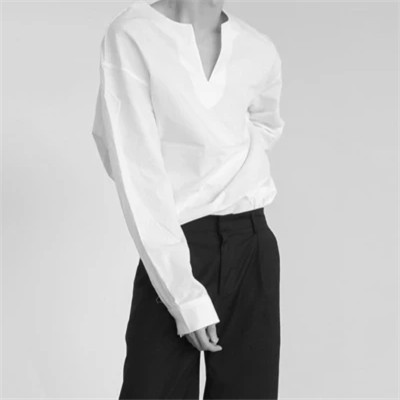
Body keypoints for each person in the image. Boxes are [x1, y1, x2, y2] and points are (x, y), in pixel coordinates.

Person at [91, 0, 285, 398]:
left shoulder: (258, 48)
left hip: (252, 241)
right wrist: (183, 295)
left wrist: (229, 174)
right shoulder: (133, 34)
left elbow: (266, 125)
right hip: (175, 243)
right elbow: (134, 168)